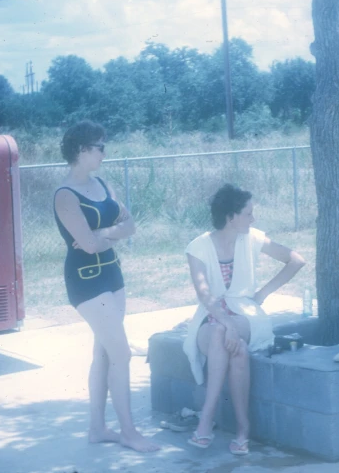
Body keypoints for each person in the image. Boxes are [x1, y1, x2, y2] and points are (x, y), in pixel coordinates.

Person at [53, 121, 160, 453]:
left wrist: (105, 235)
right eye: (100, 147)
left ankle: (97, 429)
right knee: (121, 353)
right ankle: (129, 431)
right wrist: (108, 234)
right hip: (85, 281)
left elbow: (130, 226)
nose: (104, 152)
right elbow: (86, 244)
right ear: (82, 150)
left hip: (113, 275)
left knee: (103, 353)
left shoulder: (103, 184)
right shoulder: (65, 195)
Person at [183, 184, 305, 455]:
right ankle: (243, 429)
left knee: (220, 334)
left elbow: (296, 260)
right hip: (211, 315)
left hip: (248, 316)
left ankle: (206, 420)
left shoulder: (253, 237)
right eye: (249, 214)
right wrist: (226, 322)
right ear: (230, 216)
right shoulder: (198, 247)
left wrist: (261, 294)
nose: (254, 219)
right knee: (233, 349)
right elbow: (204, 294)